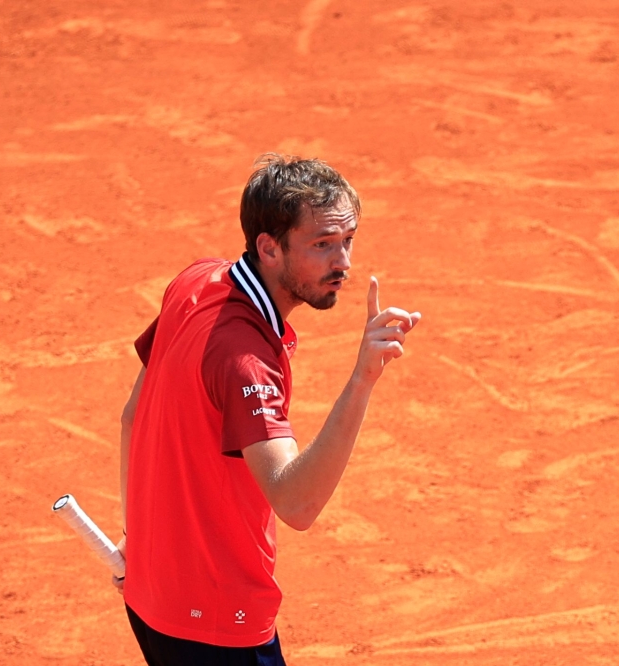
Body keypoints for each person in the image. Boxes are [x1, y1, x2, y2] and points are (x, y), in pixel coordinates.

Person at [114, 154, 421, 665]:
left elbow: (132, 415)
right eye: (322, 245)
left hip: (153, 598)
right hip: (216, 625)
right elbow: (296, 502)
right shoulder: (246, 361)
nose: (342, 262)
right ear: (269, 248)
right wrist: (363, 378)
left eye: (347, 240)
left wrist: (139, 542)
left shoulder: (195, 282)